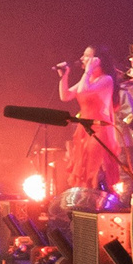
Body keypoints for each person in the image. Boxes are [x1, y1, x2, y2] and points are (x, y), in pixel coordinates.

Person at [55, 45, 118, 193]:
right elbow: (65, 96)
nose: (82, 59)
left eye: (87, 56)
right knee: (82, 165)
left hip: (98, 128)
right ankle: (85, 200)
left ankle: (98, 197)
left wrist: (88, 70)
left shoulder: (106, 79)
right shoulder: (88, 79)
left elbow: (84, 90)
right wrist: (64, 76)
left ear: (98, 61)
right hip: (84, 127)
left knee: (93, 167)